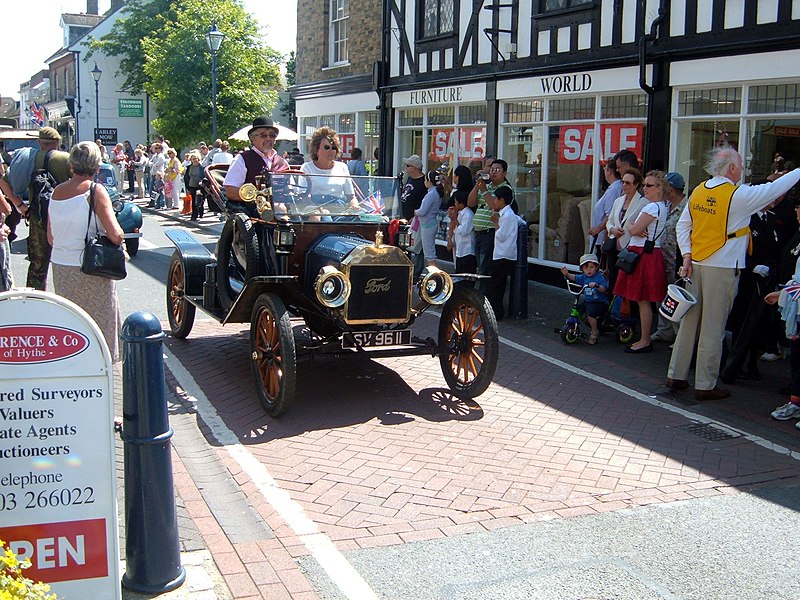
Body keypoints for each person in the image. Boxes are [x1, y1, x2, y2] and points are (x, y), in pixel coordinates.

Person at [666, 146, 800, 400]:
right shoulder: (737, 195)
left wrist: (686, 255)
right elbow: (774, 190)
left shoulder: (699, 190)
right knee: (713, 329)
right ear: (731, 168)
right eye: (739, 164)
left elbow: (684, 226)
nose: (742, 169)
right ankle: (705, 385)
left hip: (697, 263)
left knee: (689, 322)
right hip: (723, 266)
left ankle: (676, 374)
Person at [47, 142, 124, 361]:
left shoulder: (56, 192)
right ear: (97, 167)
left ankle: (76, 367)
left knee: (72, 325)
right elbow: (115, 234)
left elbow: (51, 237)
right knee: (99, 327)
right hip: (91, 268)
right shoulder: (95, 191)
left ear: (71, 165)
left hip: (62, 266)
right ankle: (101, 372)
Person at [0, 127, 70, 290]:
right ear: (58, 142)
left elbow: (4, 182)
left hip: (38, 216)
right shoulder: (66, 159)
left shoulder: (28, 158)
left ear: (39, 142)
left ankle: (34, 302)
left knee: (37, 267)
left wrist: (20, 206)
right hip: (65, 217)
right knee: (68, 261)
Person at [614, 170, 670, 353]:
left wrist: (631, 226)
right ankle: (647, 337)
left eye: (649, 185)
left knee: (643, 299)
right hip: (650, 252)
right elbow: (634, 228)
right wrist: (634, 227)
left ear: (660, 188)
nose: (645, 188)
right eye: (644, 184)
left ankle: (645, 339)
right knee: (645, 299)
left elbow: (632, 227)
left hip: (643, 254)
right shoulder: (662, 207)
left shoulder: (652, 207)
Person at [468, 159, 515, 294]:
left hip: (491, 232)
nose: (493, 172)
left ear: (505, 173)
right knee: (480, 267)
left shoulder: (505, 189)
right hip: (478, 232)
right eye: (491, 169)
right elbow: (470, 203)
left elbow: (495, 206)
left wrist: (483, 190)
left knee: (484, 270)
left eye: (497, 170)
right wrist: (478, 186)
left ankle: (481, 301)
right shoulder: (486, 186)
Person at [652, 171, 689, 343]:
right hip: (662, 260)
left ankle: (680, 337)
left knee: (677, 300)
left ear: (672, 190)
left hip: (677, 261)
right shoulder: (664, 206)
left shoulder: (686, 209)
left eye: (664, 187)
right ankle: (664, 330)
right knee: (662, 296)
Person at [224, 116, 290, 201]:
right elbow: (231, 191)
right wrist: (256, 197)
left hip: (282, 211)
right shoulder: (242, 159)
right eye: (263, 135)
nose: (268, 139)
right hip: (252, 211)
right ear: (253, 138)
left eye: (272, 135)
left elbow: (292, 189)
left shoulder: (283, 163)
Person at [605, 168, 647, 295]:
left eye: (628, 183)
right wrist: (612, 229)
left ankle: (626, 311)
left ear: (636, 185)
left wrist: (635, 229)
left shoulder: (644, 202)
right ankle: (611, 309)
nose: (624, 185)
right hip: (614, 246)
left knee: (628, 281)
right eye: (623, 182)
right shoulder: (618, 201)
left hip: (630, 248)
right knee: (613, 279)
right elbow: (610, 221)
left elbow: (643, 225)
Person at [299, 127, 359, 210]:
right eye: (326, 147)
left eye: (334, 147)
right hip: (316, 208)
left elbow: (351, 197)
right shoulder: (307, 168)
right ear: (316, 149)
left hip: (339, 208)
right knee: (326, 220)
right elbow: (304, 197)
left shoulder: (342, 167)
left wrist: (355, 206)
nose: (331, 150)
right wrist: (317, 210)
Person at [561, 254, 609, 345]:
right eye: (586, 268)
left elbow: (604, 289)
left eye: (592, 267)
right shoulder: (584, 277)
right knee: (577, 310)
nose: (589, 270)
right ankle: (581, 324)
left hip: (599, 303)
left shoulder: (599, 277)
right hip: (588, 302)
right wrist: (567, 274)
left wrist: (597, 285)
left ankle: (594, 332)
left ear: (596, 268)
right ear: (582, 269)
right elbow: (575, 277)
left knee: (591, 315)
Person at [487, 185, 517, 320]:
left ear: (502, 200)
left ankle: (496, 312)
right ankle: (496, 311)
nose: (494, 201)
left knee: (496, 284)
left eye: (496, 199)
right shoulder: (507, 214)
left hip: (503, 253)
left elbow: (502, 235)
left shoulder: (507, 215)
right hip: (502, 253)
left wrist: (495, 223)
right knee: (497, 284)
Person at [588, 159, 622, 264]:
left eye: (605, 168)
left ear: (609, 171)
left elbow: (611, 216)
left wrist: (598, 229)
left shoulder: (614, 190)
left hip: (603, 238)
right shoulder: (614, 188)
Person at [415, 170, 443, 268]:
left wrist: (416, 212)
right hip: (430, 223)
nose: (424, 182)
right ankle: (435, 274)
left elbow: (423, 211)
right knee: (429, 251)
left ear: (430, 181)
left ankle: (435, 275)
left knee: (429, 253)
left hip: (427, 225)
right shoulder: (436, 193)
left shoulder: (431, 194)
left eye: (425, 180)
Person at [451, 189, 476, 277]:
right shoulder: (461, 214)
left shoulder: (468, 214)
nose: (455, 204)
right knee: (459, 275)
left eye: (456, 202)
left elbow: (464, 231)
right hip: (460, 250)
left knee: (466, 275)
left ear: (461, 203)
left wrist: (455, 220)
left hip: (467, 250)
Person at [186, 152, 205, 221]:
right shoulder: (189, 167)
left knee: (201, 200)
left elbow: (204, 176)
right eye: (193, 159)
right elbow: (187, 177)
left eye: (195, 159)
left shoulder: (201, 167)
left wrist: (201, 181)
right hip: (192, 185)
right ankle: (194, 215)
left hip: (200, 186)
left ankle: (201, 212)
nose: (194, 160)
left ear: (198, 159)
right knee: (194, 201)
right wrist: (187, 186)